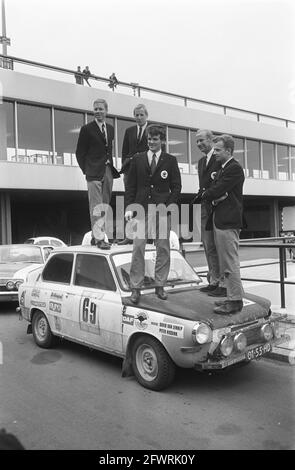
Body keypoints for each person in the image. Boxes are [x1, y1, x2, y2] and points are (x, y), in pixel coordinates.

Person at [125, 124, 181, 304]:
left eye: (155, 139)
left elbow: (176, 186)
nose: (151, 142)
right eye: (149, 139)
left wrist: (169, 205)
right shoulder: (138, 159)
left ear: (162, 140)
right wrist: (129, 207)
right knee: (138, 248)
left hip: (162, 209)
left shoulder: (170, 160)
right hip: (141, 208)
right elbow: (131, 186)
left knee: (163, 247)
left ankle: (160, 285)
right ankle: (136, 287)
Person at [201, 134, 245, 315]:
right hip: (221, 219)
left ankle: (235, 301)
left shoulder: (233, 168)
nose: (215, 153)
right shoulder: (223, 168)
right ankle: (231, 297)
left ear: (228, 150)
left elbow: (216, 190)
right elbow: (215, 191)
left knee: (229, 262)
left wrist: (209, 195)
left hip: (227, 220)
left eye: (218, 150)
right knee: (225, 261)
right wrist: (213, 195)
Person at [76, 98, 120, 249]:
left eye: (100, 109)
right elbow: (79, 153)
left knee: (105, 206)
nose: (98, 111)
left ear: (106, 110)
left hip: (107, 171)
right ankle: (99, 238)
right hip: (93, 173)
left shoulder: (110, 128)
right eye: (95, 109)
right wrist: (87, 170)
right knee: (96, 207)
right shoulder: (87, 129)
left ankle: (98, 237)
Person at [193, 129, 226, 297]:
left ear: (211, 140)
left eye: (202, 140)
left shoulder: (219, 158)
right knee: (208, 245)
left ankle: (222, 282)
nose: (199, 144)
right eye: (197, 141)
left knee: (219, 245)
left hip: (218, 207)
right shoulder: (200, 162)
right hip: (205, 207)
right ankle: (213, 280)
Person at [118, 104, 149, 245]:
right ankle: (129, 235)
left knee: (143, 200)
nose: (139, 117)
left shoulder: (151, 130)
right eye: (136, 115)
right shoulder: (129, 131)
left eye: (141, 114)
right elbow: (125, 151)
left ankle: (143, 233)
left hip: (145, 170)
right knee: (129, 200)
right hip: (130, 170)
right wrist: (125, 167)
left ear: (146, 115)